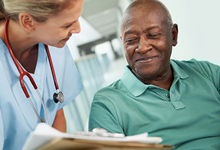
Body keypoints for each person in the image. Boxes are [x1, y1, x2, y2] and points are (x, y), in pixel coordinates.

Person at [88, 0, 220, 149]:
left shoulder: (206, 73)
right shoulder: (107, 104)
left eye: (153, 35)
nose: (142, 48)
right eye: (131, 40)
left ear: (173, 35)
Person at [0, 0, 84, 149]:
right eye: (67, 25)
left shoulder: (54, 43)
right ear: (28, 22)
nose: (78, 29)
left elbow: (56, 114)